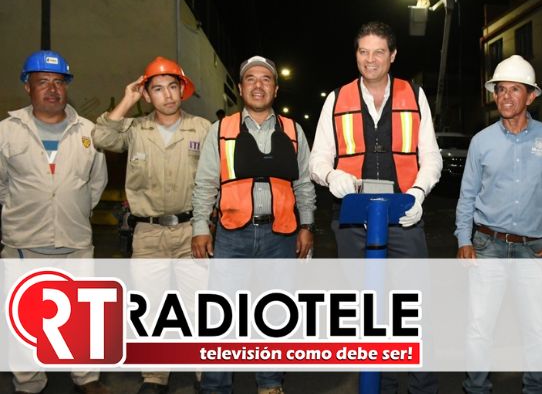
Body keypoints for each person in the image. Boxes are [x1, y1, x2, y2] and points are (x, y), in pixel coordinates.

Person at [309, 21, 441, 393]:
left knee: (413, 311)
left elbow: (430, 156)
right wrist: (331, 176)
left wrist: (417, 192)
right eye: (363, 52)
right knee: (367, 314)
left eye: (378, 52)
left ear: (392, 56)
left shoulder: (414, 95)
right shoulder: (336, 98)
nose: (370, 59)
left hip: (404, 216)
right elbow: (318, 159)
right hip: (352, 222)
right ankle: (379, 385)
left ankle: (420, 387)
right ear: (356, 55)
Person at [191, 55, 316, 394]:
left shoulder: (293, 130)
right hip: (232, 234)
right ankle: (216, 386)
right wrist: (201, 226)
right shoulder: (222, 130)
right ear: (241, 88)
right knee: (221, 316)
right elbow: (205, 183)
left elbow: (304, 183)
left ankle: (270, 382)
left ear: (275, 89)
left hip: (281, 235)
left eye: (266, 79)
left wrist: (307, 225)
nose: (258, 85)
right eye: (250, 79)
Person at [91, 56, 211, 394]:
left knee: (197, 305)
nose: (168, 95)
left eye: (173, 86)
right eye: (157, 89)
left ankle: (204, 374)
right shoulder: (134, 130)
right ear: (147, 95)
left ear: (182, 90)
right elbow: (100, 137)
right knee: (152, 306)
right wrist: (127, 100)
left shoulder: (202, 129)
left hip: (192, 232)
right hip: (147, 233)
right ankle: (155, 376)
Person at [455, 54, 542, 394]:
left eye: (514, 90)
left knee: (536, 327)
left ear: (531, 96)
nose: (505, 97)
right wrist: (464, 239)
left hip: (535, 248)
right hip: (487, 245)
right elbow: (467, 196)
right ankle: (476, 387)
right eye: (500, 90)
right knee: (480, 326)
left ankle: (536, 388)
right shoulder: (482, 142)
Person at [0, 50, 109, 394]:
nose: (52, 89)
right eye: (42, 81)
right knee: (22, 318)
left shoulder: (88, 132)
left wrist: (70, 208)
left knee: (82, 315)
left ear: (67, 87)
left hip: (75, 241)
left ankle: (87, 378)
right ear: (27, 86)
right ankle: (29, 383)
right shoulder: (7, 131)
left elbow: (96, 184)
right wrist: (26, 211)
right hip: (24, 242)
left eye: (59, 82)